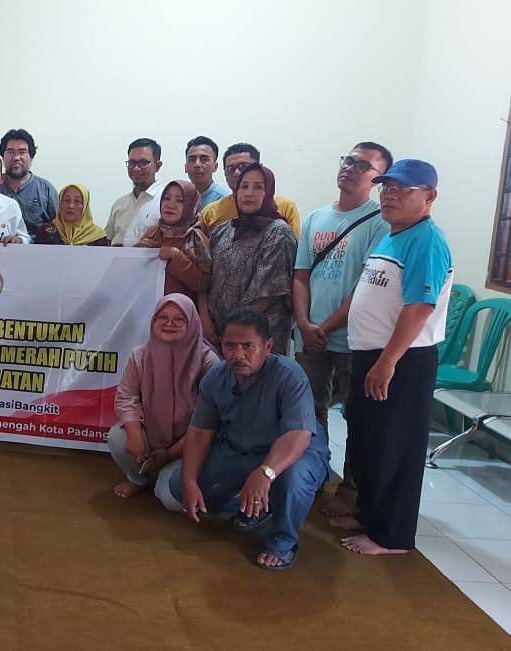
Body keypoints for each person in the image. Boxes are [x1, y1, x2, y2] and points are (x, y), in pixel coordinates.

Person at [333, 159, 453, 556]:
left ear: (429, 196)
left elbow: (419, 307)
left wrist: (387, 361)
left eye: (402, 189)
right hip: (372, 354)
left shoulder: (427, 240)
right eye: (386, 187)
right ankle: (368, 515)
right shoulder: (392, 235)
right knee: (368, 441)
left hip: (402, 360)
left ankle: (391, 536)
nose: (390, 195)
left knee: (395, 448)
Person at [169, 308, 330, 571]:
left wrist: (265, 473)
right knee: (178, 485)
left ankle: (282, 542)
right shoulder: (215, 378)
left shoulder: (289, 375)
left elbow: (298, 435)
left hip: (295, 454)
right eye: (230, 346)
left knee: (292, 481)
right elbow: (199, 433)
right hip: (242, 450)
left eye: (248, 346)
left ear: (268, 346)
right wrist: (189, 481)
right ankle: (257, 507)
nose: (238, 354)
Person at [292, 143, 391, 515]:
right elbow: (300, 276)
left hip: (355, 339)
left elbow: (367, 284)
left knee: (357, 418)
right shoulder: (316, 218)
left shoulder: (380, 222)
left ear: (378, 179)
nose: (350, 168)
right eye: (348, 160)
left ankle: (351, 492)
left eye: (363, 165)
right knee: (308, 412)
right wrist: (304, 324)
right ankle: (313, 474)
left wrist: (325, 326)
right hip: (310, 336)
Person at [106, 294, 220, 507]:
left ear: (192, 322)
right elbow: (126, 396)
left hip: (190, 443)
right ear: (154, 321)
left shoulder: (208, 361)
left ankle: (165, 474)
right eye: (163, 317)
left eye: (179, 319)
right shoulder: (140, 355)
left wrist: (168, 455)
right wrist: (134, 434)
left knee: (171, 500)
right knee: (117, 438)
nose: (169, 324)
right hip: (153, 434)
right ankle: (139, 478)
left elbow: (209, 420)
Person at [203, 164, 296, 354]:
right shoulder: (222, 231)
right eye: (243, 186)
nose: (248, 193)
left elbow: (265, 295)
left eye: (258, 187)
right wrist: (207, 323)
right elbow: (205, 279)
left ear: (269, 192)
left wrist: (231, 331)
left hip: (258, 341)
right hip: (218, 339)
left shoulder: (278, 232)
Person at [199, 143, 301, 237]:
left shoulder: (285, 207)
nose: (237, 173)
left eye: (243, 167)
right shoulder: (210, 213)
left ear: (260, 168)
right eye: (230, 169)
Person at [136, 180, 212, 305]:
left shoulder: (195, 238)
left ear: (190, 206)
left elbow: (204, 283)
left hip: (179, 311)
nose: (170, 205)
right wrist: (138, 252)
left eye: (179, 200)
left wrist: (177, 257)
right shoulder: (153, 232)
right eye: (166, 198)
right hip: (148, 306)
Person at [0, 128, 58, 239]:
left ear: (31, 156)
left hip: (36, 248)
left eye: (22, 152)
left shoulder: (46, 189)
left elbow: (60, 226)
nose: (16, 158)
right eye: (10, 152)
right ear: (2, 156)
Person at [104, 138, 165, 246]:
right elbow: (108, 240)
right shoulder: (119, 204)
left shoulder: (166, 201)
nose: (136, 168)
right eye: (132, 163)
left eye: (143, 163)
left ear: (157, 166)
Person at [35, 183, 109, 246]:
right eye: (67, 200)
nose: (71, 206)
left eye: (77, 201)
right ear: (60, 204)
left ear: (85, 207)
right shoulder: (46, 232)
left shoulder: (98, 237)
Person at [184, 136, 230, 209]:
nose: (197, 164)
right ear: (186, 167)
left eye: (204, 159)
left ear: (215, 166)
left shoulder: (225, 200)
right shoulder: (179, 198)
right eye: (192, 159)